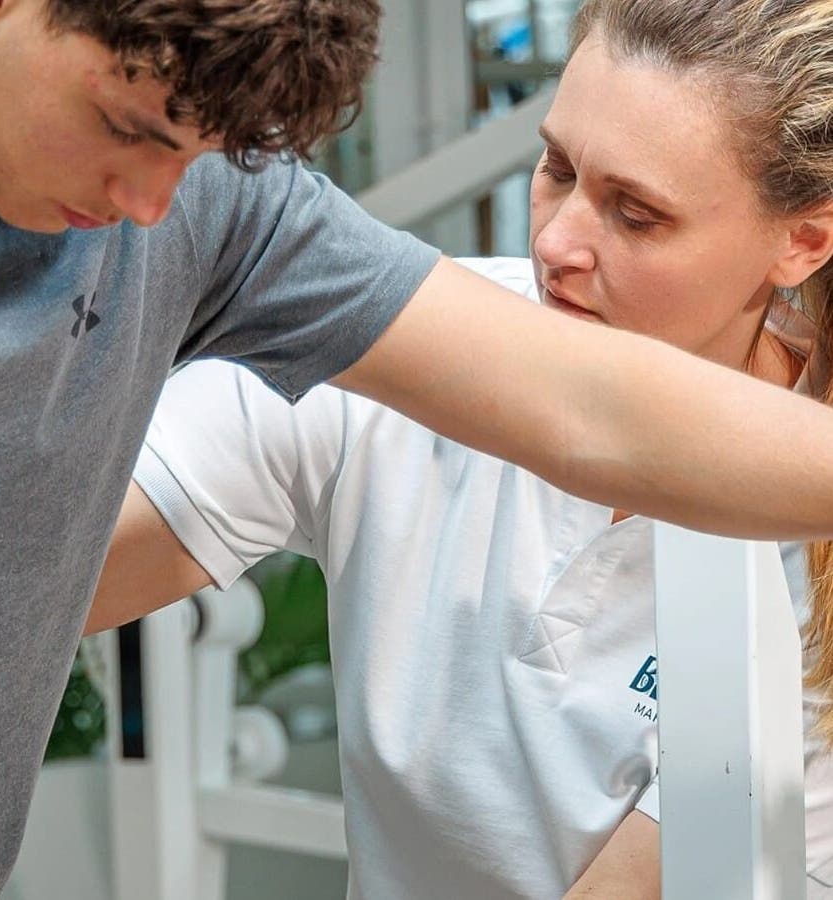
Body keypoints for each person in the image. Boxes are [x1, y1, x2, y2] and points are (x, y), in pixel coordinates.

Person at [0, 0, 833, 895]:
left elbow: (594, 415)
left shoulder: (212, 209)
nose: (147, 211)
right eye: (127, 125)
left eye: (639, 212)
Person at [86, 0, 833, 896]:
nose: (556, 243)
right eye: (556, 167)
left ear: (802, 241)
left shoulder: (805, 548)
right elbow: (30, 586)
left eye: (635, 215)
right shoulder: (418, 353)